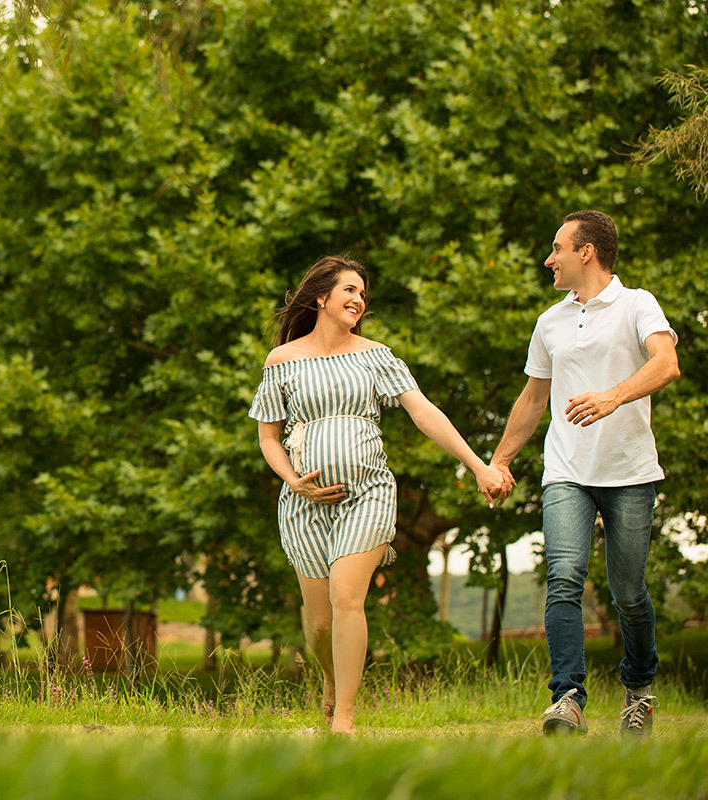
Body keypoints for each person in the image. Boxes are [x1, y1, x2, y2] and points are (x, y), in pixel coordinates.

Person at [249, 255, 506, 734]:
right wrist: (292, 480)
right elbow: (268, 436)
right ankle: (331, 681)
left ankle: (344, 718)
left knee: (347, 598)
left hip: (367, 493)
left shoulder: (376, 356)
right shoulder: (282, 360)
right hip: (304, 503)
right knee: (320, 624)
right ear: (321, 297)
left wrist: (478, 465)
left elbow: (424, 412)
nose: (359, 300)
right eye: (350, 290)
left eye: (363, 294)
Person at [489, 210, 680, 738]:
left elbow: (666, 363)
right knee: (564, 577)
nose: (549, 259)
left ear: (586, 251)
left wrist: (613, 396)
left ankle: (638, 690)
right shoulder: (549, 321)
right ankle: (567, 699)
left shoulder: (637, 304)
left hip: (630, 472)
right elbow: (534, 399)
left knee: (629, 593)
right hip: (566, 470)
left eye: (557, 248)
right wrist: (500, 460)